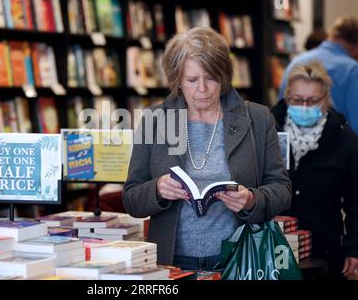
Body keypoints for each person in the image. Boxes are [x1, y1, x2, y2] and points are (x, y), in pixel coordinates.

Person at [123, 27, 292, 270]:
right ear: (177, 80)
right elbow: (131, 199)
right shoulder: (155, 119)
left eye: (211, 78)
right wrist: (157, 189)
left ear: (223, 77)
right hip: (171, 262)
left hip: (239, 258)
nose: (202, 89)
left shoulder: (257, 118)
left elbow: (282, 189)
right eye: (192, 80)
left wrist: (251, 200)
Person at [272, 61, 358, 280]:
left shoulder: (344, 139)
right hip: (273, 247)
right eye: (297, 100)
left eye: (313, 101)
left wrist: (353, 248)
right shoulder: (269, 130)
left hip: (324, 252)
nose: (304, 106)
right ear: (287, 96)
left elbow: (355, 201)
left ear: (326, 99)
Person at [278, 16, 358, 134]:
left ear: (331, 35)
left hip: (292, 144)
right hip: (334, 147)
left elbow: (280, 111)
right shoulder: (352, 70)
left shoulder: (296, 62)